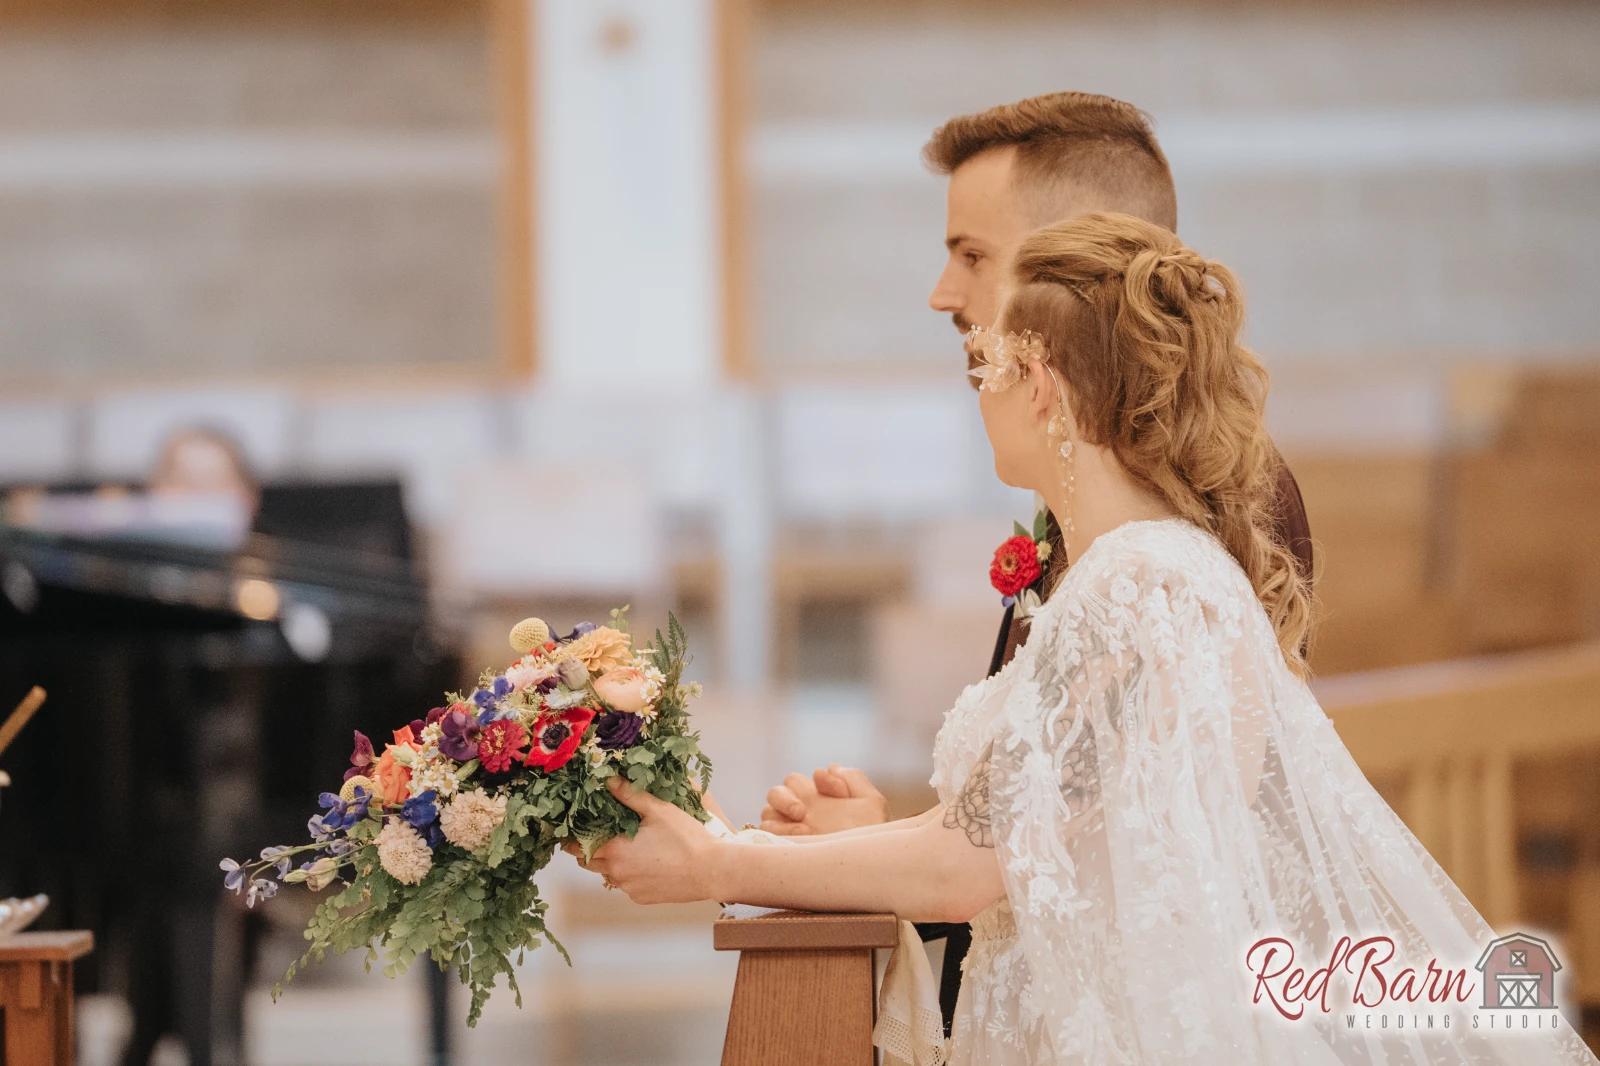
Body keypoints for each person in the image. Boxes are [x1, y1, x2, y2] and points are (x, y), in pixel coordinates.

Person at [584, 213, 1597, 1064]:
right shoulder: (1166, 570)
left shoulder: (1130, 588)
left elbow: (968, 868)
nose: (978, 393)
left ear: (1041, 382)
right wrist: (852, 846)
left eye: (985, 365)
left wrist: (718, 863)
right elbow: (1049, 848)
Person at [756, 91, 1314, 1030]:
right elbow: (1062, 814)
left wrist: (909, 861)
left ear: (1082, 261)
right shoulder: (1102, 485)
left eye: (972, 255)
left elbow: (1168, 854)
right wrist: (890, 845)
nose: (943, 293)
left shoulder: (1209, 511)